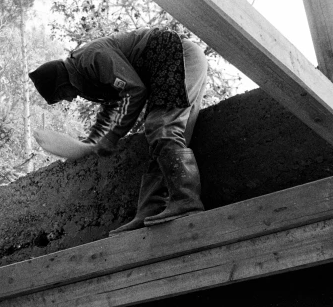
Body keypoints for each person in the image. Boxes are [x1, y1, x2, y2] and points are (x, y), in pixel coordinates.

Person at [29, 27, 208, 235]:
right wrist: (94, 142)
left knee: (161, 126)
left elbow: (134, 90)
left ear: (62, 80)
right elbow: (112, 109)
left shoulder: (92, 57)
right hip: (167, 65)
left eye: (62, 93)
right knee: (159, 138)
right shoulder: (85, 77)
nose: (69, 99)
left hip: (179, 57)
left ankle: (186, 200)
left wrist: (112, 137)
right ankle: (150, 209)